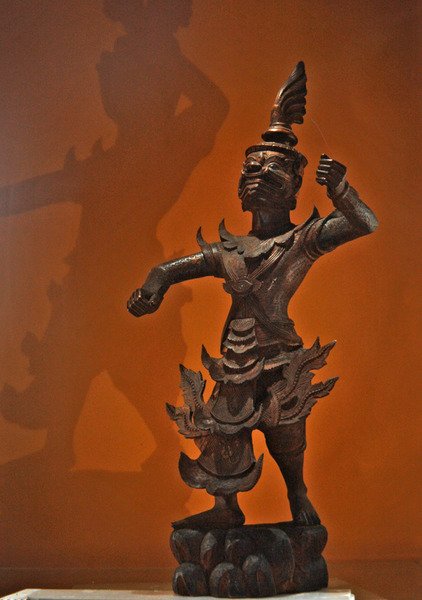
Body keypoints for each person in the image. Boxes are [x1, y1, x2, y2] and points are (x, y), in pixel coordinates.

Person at [127, 62, 378, 529]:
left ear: (295, 186)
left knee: (287, 433)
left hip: (279, 356)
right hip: (235, 359)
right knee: (225, 432)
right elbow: (169, 269)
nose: (259, 174)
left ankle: (297, 492)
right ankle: (226, 508)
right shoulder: (231, 250)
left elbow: (364, 222)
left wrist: (340, 188)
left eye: (273, 168)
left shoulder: (302, 240)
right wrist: (151, 289)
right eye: (251, 168)